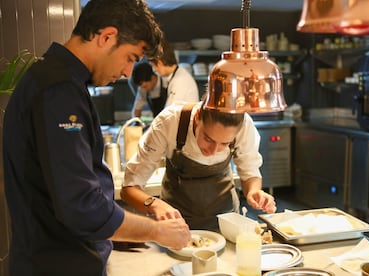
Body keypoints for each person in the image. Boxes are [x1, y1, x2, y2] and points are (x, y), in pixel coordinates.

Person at [2, 0, 191, 275]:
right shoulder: (59, 90)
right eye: (130, 58)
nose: (128, 72)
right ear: (107, 37)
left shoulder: (57, 80)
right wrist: (157, 231)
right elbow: (82, 207)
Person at [121, 101, 277, 230]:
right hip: (176, 224)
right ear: (197, 118)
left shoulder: (244, 125)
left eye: (225, 143)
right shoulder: (170, 123)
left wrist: (254, 191)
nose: (213, 151)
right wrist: (153, 203)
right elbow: (129, 189)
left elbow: (250, 172)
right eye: (208, 139)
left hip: (227, 222)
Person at [149, 42, 200, 107]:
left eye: (153, 66)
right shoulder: (175, 75)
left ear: (159, 63)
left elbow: (170, 112)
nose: (154, 70)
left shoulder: (180, 81)